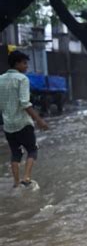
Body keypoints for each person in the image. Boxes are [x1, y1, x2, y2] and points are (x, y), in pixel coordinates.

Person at [0, 50, 49, 188]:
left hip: (8, 123)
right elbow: (24, 103)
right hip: (23, 122)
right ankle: (26, 178)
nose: (27, 66)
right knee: (32, 150)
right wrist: (39, 120)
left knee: (15, 153)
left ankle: (16, 183)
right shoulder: (22, 79)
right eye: (24, 63)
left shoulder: (0, 79)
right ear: (17, 63)